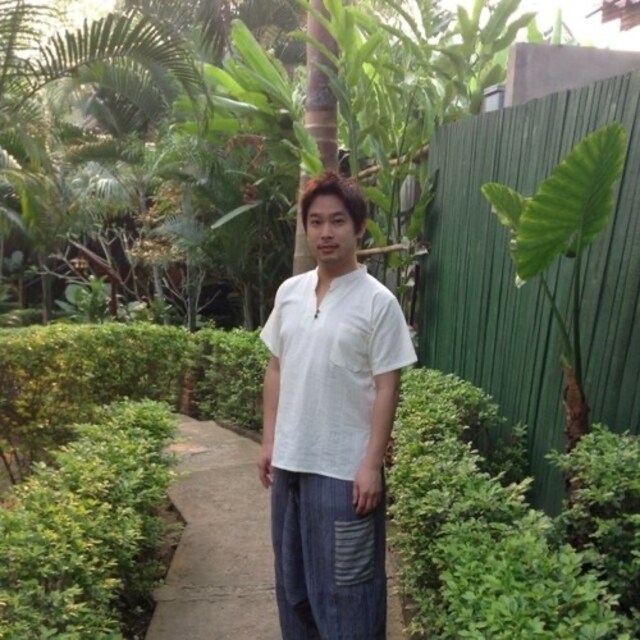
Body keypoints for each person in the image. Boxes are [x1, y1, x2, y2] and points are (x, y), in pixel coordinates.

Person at [258, 171, 417, 639]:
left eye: (338, 221)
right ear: (306, 228)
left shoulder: (378, 303)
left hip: (344, 477)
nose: (326, 232)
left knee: (350, 596)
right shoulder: (289, 293)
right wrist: (268, 441)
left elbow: (387, 387)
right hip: (290, 467)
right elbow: (276, 368)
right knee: (294, 590)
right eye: (316, 222)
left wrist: (371, 465)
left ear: (358, 227)